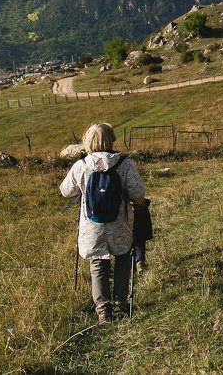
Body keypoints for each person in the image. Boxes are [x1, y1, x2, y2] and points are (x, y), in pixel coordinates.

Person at [60, 122, 146, 323]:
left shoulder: (82, 166)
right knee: (123, 259)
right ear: (111, 139)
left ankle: (103, 311)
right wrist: (137, 203)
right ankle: (121, 306)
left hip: (92, 226)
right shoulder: (123, 164)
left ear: (88, 141)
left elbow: (65, 191)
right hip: (120, 224)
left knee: (98, 264)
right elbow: (138, 192)